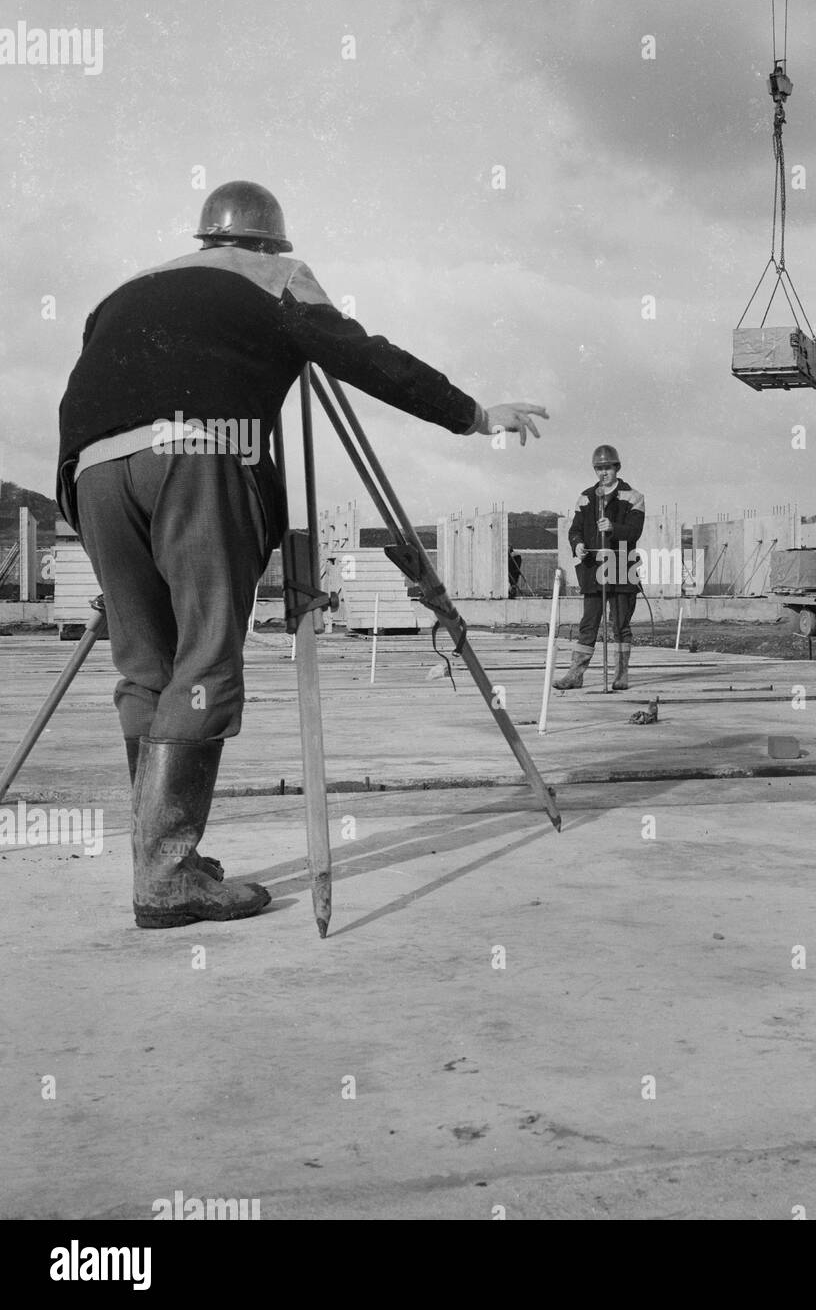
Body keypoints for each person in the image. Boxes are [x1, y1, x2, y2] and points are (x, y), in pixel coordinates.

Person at [56, 180, 547, 928]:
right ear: (267, 244)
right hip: (200, 453)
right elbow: (364, 357)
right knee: (203, 661)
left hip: (91, 471)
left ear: (206, 238)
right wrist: (474, 414)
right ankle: (165, 875)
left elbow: (79, 393)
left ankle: (159, 853)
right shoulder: (275, 278)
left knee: (144, 666)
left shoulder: (128, 288)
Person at [552, 444, 644, 691]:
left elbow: (634, 532)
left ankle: (621, 675)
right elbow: (575, 530)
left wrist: (613, 528)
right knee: (589, 622)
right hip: (594, 569)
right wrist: (578, 544)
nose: (603, 473)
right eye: (599, 468)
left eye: (607, 468)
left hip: (623, 569)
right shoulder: (586, 497)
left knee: (620, 623)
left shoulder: (633, 497)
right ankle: (576, 674)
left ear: (617, 468)